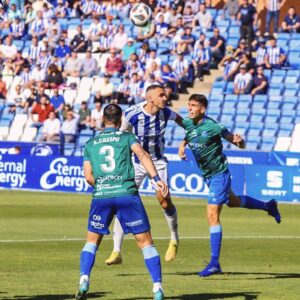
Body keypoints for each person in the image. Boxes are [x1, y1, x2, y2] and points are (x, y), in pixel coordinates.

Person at [178, 94, 281, 277]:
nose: (190, 108)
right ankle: (268, 205)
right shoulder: (188, 122)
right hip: (208, 176)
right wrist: (181, 145)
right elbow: (188, 134)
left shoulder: (214, 127)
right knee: (233, 201)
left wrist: (239, 141)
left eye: (194, 105)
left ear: (203, 109)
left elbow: (236, 142)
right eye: (189, 104)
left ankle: (214, 263)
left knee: (212, 214)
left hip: (219, 174)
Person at [76, 104, 166, 300]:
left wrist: (104, 187)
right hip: (127, 194)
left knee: (92, 242)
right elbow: (142, 154)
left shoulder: (90, 144)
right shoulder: (127, 137)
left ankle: (84, 279)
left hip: (101, 196)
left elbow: (88, 177)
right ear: (120, 119)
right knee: (146, 243)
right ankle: (157, 288)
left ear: (103, 118)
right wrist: (156, 179)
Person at [105, 85, 182, 266]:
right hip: (137, 164)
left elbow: (182, 121)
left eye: (165, 93)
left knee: (164, 201)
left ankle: (174, 238)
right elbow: (120, 137)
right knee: (123, 201)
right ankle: (116, 251)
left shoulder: (166, 113)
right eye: (161, 95)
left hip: (158, 162)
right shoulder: (132, 114)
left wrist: (185, 141)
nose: (165, 97)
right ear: (150, 98)